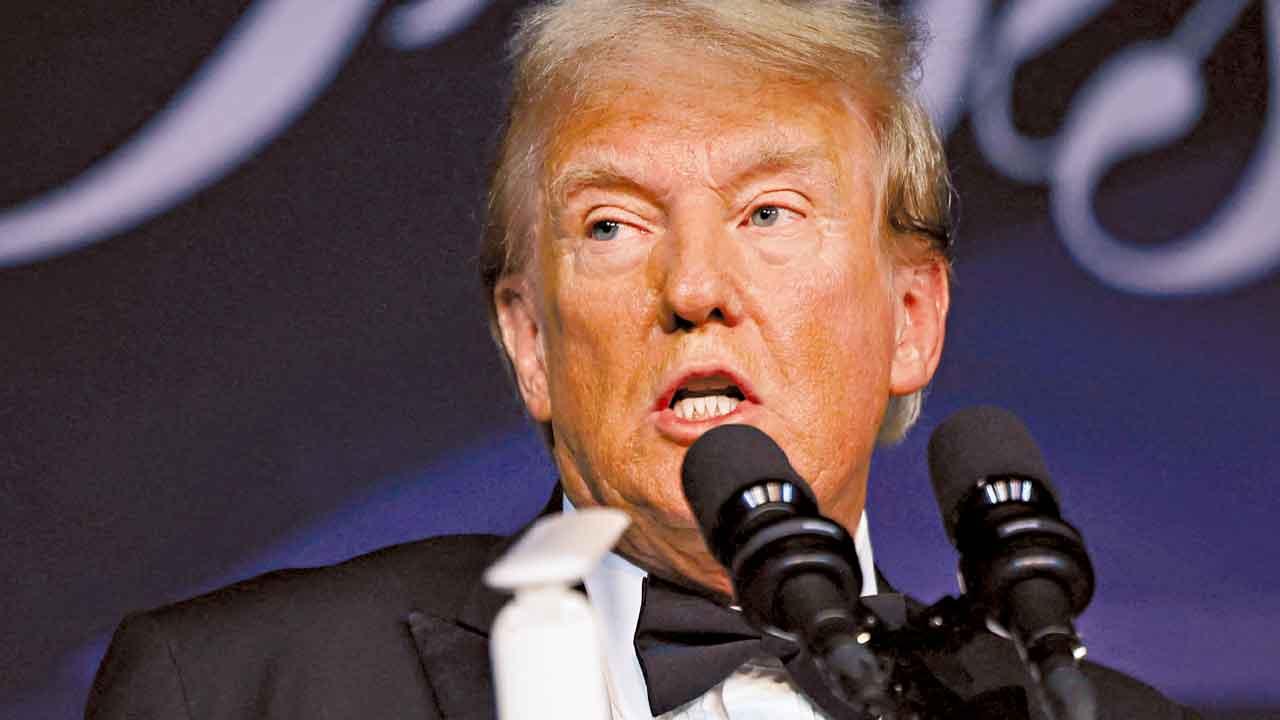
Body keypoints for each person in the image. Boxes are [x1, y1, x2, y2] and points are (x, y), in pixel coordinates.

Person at [87, 1, 1196, 718]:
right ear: (529, 340)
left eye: (769, 211)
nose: (694, 287)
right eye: (612, 225)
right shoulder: (236, 690)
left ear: (910, 318)